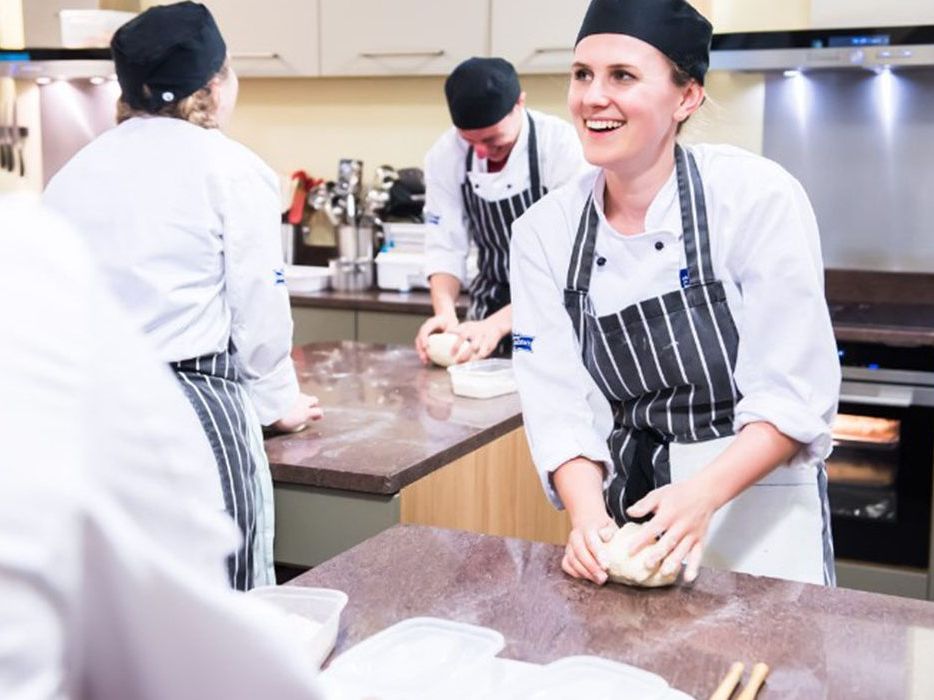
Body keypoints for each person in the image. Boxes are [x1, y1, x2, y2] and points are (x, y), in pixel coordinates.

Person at [510, 0, 840, 587]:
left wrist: (701, 495)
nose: (591, 97)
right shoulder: (545, 232)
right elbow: (556, 402)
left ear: (687, 97)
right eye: (582, 74)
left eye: (623, 76)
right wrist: (588, 521)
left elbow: (793, 393)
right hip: (630, 516)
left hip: (757, 508)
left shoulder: (754, 198)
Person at [0, 195, 326, 699]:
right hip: (198, 393)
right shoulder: (27, 256)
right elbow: (179, 592)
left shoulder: (68, 181)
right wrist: (276, 398)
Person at [43, 1, 321, 590]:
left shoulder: (72, 173)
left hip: (90, 415)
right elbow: (260, 311)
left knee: (124, 598)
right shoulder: (232, 169)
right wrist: (277, 403)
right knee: (228, 595)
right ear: (215, 86)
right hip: (194, 413)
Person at [415, 57, 585, 363]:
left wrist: (498, 325)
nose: (481, 151)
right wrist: (445, 315)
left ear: (519, 103)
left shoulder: (561, 147)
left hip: (558, 309)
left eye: (493, 141)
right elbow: (445, 244)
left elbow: (571, 258)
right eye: (469, 140)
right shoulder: (445, 155)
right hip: (488, 305)